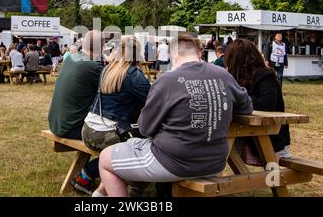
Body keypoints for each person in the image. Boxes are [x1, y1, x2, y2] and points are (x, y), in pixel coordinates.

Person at [94, 33, 253, 197]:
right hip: (215, 161)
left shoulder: (167, 80)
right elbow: (246, 107)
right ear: (200, 52)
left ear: (172, 55)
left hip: (174, 162)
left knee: (105, 159)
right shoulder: (223, 75)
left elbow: (145, 128)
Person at [74, 36, 151, 195]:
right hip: (106, 134)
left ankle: (87, 176)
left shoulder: (107, 69)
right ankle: (134, 189)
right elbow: (153, 103)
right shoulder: (134, 76)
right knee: (142, 150)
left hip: (88, 130)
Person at [225, 38, 292, 161]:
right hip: (248, 133)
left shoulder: (264, 75)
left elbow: (267, 105)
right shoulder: (240, 76)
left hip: (271, 136)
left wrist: (240, 98)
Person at [48, 30, 104, 140]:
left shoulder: (70, 58)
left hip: (56, 124)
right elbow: (116, 87)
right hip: (72, 128)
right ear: (101, 47)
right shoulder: (92, 66)